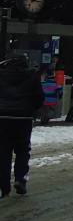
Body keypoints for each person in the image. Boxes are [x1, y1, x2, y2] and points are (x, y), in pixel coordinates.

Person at [0, 52, 45, 197]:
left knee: (3, 151)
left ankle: (3, 186)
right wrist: (31, 109)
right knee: (23, 149)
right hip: (23, 118)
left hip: (2, 117)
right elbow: (39, 98)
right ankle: (20, 178)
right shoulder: (32, 76)